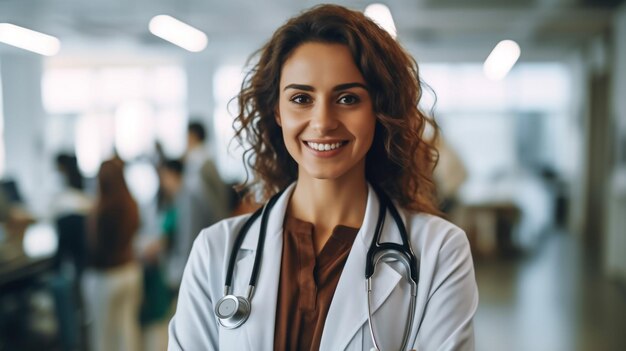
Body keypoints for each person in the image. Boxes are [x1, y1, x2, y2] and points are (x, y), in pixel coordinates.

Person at [168, 4, 478, 351]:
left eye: (347, 98)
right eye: (301, 98)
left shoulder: (439, 251)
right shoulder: (215, 251)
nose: (322, 121)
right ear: (277, 112)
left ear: (379, 110)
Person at [83, 159, 142, 351]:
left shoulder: (102, 210)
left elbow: (97, 248)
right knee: (127, 332)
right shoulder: (131, 204)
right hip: (130, 271)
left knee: (103, 337)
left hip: (107, 277)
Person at [165, 121, 229, 291]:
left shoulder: (202, 163)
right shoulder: (198, 161)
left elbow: (215, 205)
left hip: (208, 230)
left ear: (193, 136)